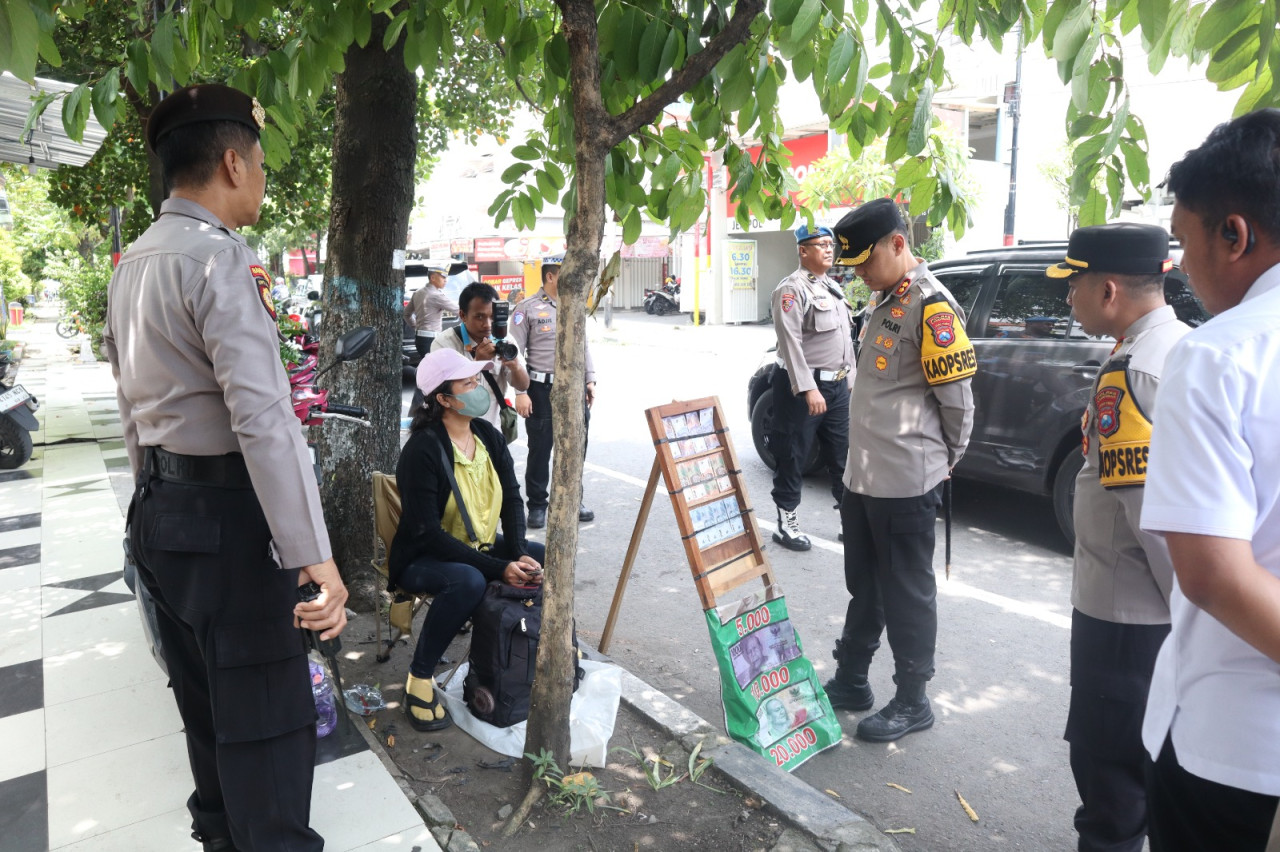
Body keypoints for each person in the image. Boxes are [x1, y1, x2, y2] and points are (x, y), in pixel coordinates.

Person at [102, 84, 348, 852]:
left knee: (208, 722)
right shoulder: (218, 262)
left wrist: (151, 507)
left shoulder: (133, 263)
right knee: (268, 730)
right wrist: (316, 559)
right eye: (263, 165)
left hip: (161, 516)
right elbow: (264, 421)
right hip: (229, 530)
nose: (265, 182)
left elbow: (130, 408)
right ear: (233, 163)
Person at [1138, 109, 1280, 851]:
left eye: (1184, 241)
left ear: (1235, 234)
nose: (1182, 266)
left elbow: (1216, 576)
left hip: (1237, 756)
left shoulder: (1221, 354)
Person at [1049, 224, 1189, 852]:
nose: (1068, 297)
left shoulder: (1132, 371)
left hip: (1125, 620)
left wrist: (1190, 618)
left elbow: (1153, 524)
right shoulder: (1181, 348)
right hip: (1154, 617)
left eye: (1073, 285)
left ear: (1107, 289)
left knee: (1108, 783)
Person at [824, 198, 975, 742]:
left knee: (907, 591)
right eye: (853, 265)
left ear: (897, 243)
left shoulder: (931, 308)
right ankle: (851, 679)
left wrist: (944, 461)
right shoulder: (887, 300)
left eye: (866, 261)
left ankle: (913, 698)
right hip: (865, 478)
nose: (859, 273)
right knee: (865, 585)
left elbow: (957, 404)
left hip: (907, 480)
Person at [389, 349, 544, 731]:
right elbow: (429, 534)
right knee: (468, 580)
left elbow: (511, 497)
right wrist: (499, 567)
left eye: (478, 380)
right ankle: (419, 680)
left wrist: (519, 555)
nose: (479, 389)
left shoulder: (488, 435)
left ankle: (521, 655)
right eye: (468, 383)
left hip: (480, 547)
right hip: (425, 558)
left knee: (541, 557)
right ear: (443, 398)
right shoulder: (422, 450)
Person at [768, 223, 855, 551]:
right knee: (792, 455)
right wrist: (808, 389)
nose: (828, 249)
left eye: (830, 244)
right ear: (803, 251)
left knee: (843, 456)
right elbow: (790, 345)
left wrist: (851, 382)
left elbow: (846, 343)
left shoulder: (833, 288)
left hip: (836, 388)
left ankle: (850, 519)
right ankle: (786, 524)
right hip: (802, 391)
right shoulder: (791, 290)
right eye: (820, 245)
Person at [509, 254, 595, 529]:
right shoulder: (527, 309)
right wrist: (520, 391)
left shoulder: (574, 305)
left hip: (574, 386)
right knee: (540, 448)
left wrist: (590, 379)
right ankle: (537, 504)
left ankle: (572, 500)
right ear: (551, 276)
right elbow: (514, 354)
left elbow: (584, 345)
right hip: (539, 388)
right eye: (565, 272)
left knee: (575, 446)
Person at [434, 281, 531, 430]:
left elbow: (523, 385)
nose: (487, 324)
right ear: (463, 315)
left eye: (492, 317)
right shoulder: (444, 344)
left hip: (492, 428)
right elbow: (441, 391)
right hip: (454, 430)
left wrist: (516, 367)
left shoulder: (505, 340)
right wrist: (477, 362)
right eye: (479, 317)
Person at [404, 259, 464, 357]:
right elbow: (459, 311)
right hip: (431, 340)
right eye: (443, 277)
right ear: (433, 278)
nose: (445, 280)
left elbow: (406, 314)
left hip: (419, 338)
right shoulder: (436, 295)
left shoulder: (417, 293)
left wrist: (416, 327)